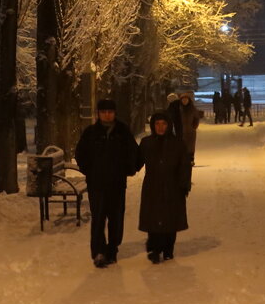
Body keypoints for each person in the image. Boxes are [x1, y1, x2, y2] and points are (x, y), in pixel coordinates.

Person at [75, 99, 139, 269]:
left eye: (110, 111)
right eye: (104, 112)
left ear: (115, 113)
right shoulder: (91, 133)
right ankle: (98, 252)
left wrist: (130, 169)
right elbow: (80, 154)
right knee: (98, 218)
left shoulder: (122, 131)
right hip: (97, 184)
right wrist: (89, 170)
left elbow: (135, 153)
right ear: (98, 113)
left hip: (117, 183)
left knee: (116, 219)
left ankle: (113, 248)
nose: (107, 114)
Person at [137, 110, 191, 263]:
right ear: (153, 126)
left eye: (164, 124)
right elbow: (136, 162)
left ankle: (168, 249)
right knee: (153, 218)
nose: (160, 127)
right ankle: (154, 248)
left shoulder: (177, 143)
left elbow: (185, 165)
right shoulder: (147, 143)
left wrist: (184, 184)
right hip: (152, 185)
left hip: (172, 186)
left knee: (170, 218)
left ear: (169, 125)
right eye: (157, 124)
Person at [169, 90, 202, 163]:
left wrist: (194, 126)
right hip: (181, 131)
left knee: (191, 146)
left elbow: (196, 117)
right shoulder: (178, 109)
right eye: (183, 99)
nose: (184, 101)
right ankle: (183, 160)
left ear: (188, 100)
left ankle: (191, 159)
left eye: (186, 99)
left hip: (191, 131)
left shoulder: (192, 108)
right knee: (182, 145)